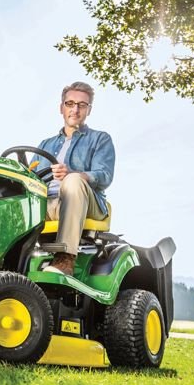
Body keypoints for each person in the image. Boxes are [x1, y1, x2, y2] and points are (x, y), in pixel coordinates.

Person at [35, 81, 115, 276]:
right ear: (62, 108)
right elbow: (31, 175)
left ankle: (65, 259)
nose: (75, 109)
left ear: (89, 110)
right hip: (48, 203)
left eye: (82, 105)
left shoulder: (100, 139)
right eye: (70, 104)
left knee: (73, 181)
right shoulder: (45, 144)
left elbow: (104, 175)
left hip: (87, 203)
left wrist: (73, 174)